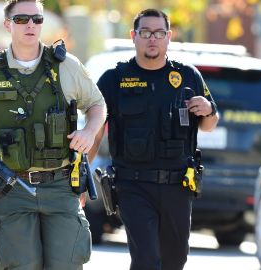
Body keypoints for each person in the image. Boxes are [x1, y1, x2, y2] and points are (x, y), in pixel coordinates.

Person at [0, 0, 106, 269]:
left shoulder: (67, 66)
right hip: (12, 188)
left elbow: (97, 104)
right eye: (21, 19)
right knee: (20, 264)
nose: (30, 24)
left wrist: (89, 130)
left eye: (37, 19)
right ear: (7, 24)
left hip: (61, 185)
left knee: (67, 263)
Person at [91, 9, 219, 270]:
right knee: (147, 258)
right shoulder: (113, 80)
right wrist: (82, 177)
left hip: (178, 186)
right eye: (145, 32)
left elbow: (208, 126)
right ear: (133, 36)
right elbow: (94, 131)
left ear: (168, 37)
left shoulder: (187, 76)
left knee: (175, 260)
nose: (152, 38)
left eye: (159, 33)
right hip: (132, 185)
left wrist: (209, 109)